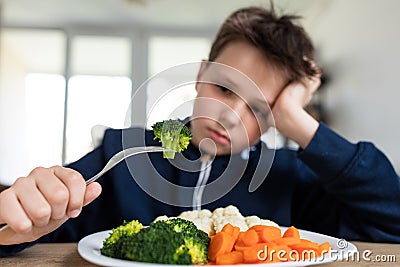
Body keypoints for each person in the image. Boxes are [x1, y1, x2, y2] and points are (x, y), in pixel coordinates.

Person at [1, 5, 400, 256]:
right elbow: (28, 231)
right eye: (224, 88)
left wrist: (296, 119)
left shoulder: (289, 177)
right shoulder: (121, 152)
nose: (230, 116)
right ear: (199, 75)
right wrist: (26, 216)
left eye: (260, 109)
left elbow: (390, 221)